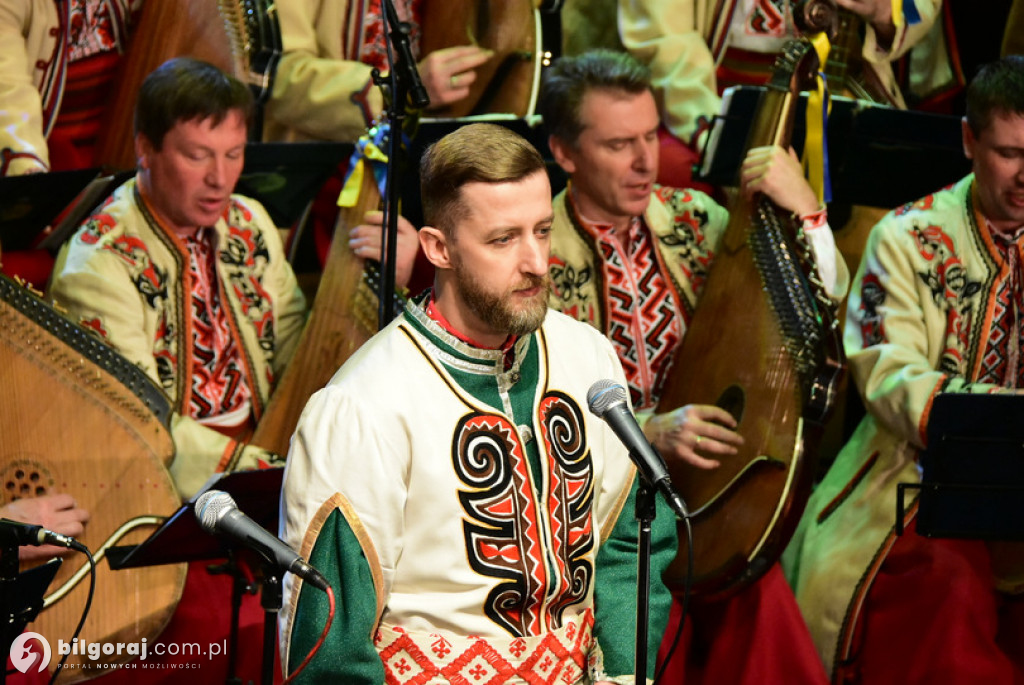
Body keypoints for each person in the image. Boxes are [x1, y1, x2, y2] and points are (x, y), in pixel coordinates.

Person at [278, 122, 677, 683]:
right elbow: (330, 638)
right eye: (503, 239)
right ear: (438, 248)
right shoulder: (364, 406)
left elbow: (629, 547)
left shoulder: (588, 359)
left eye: (542, 230)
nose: (537, 261)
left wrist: (621, 673)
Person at [539, 49, 848, 684]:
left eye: (651, 135)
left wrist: (807, 212)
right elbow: (523, 411)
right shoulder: (534, 254)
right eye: (619, 143)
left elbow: (819, 304)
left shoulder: (697, 218)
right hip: (594, 515)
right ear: (564, 153)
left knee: (756, 601)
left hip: (712, 497)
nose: (646, 161)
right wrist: (647, 433)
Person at [46, 57, 305, 681]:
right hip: (159, 502)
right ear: (145, 148)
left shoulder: (249, 222)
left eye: (235, 154)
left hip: (264, 462)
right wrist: (273, 476)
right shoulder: (98, 267)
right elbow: (142, 428)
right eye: (197, 155)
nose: (221, 179)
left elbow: (298, 346)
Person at [783, 55, 1024, 683]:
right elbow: (889, 373)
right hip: (918, 473)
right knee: (948, 591)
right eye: (1009, 153)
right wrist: (993, 424)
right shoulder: (906, 236)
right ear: (969, 141)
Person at [611, 0, 949, 188]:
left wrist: (885, 10)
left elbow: (920, 8)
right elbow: (664, 40)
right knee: (671, 178)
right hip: (706, 95)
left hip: (836, 89)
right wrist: (719, 135)